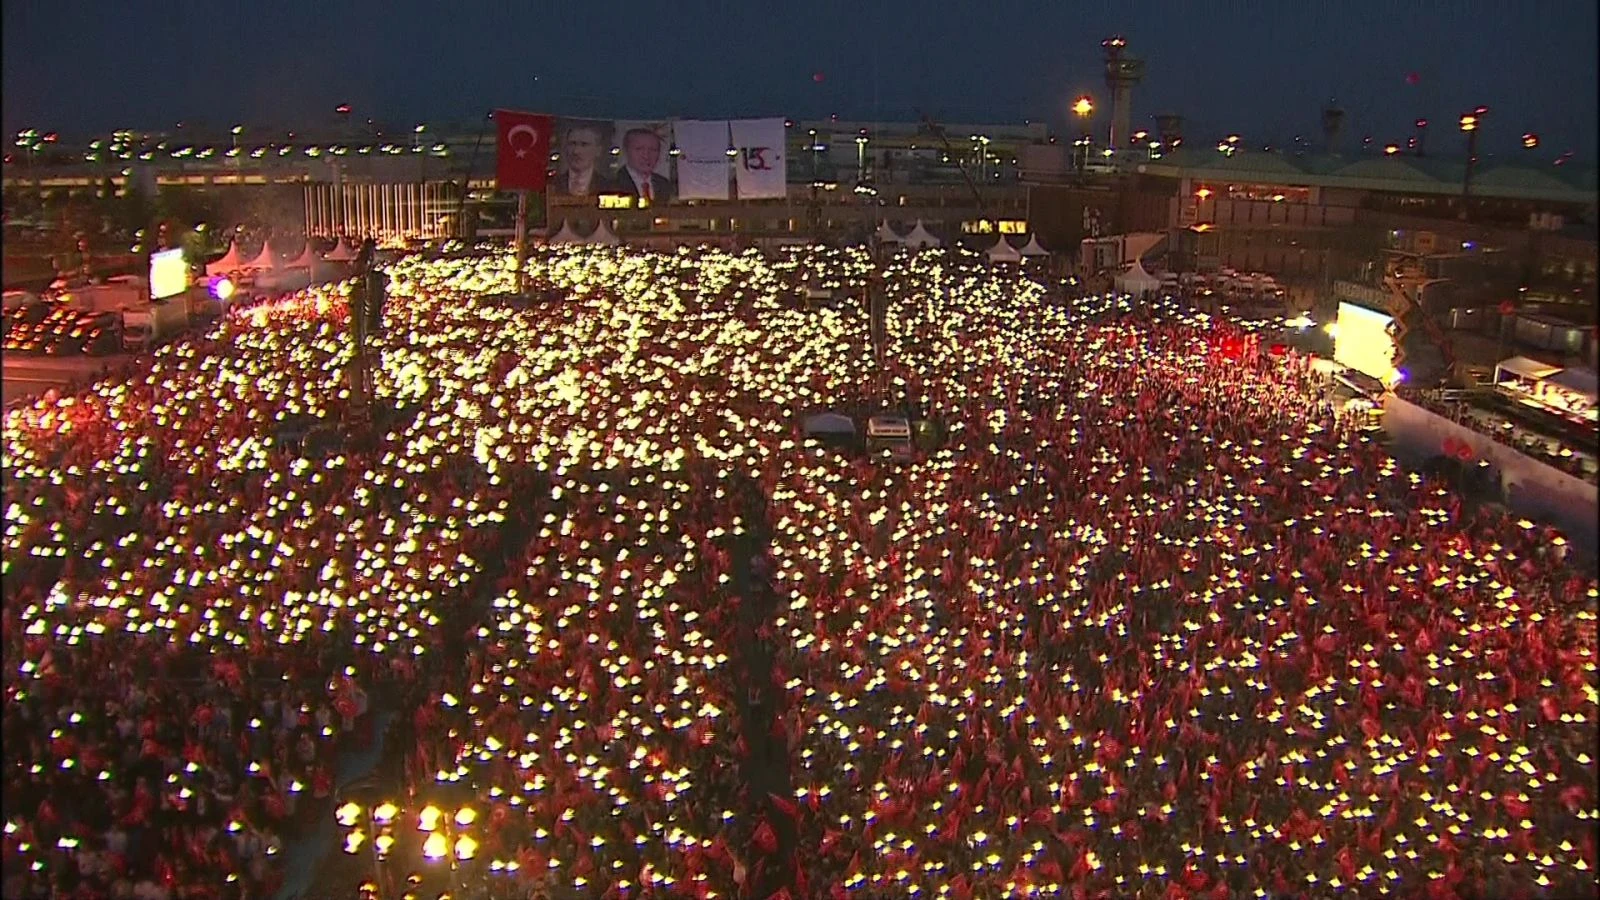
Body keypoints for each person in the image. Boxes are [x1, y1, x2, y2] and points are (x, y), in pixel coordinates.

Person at [606, 127, 673, 202]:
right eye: (639, 149)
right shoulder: (612, 184)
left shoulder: (664, 184)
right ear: (626, 150)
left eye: (653, 150)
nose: (646, 156)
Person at [548, 122, 612, 198]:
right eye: (572, 144)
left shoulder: (609, 187)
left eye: (584, 145)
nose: (576, 151)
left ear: (598, 150)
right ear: (565, 148)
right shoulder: (551, 185)